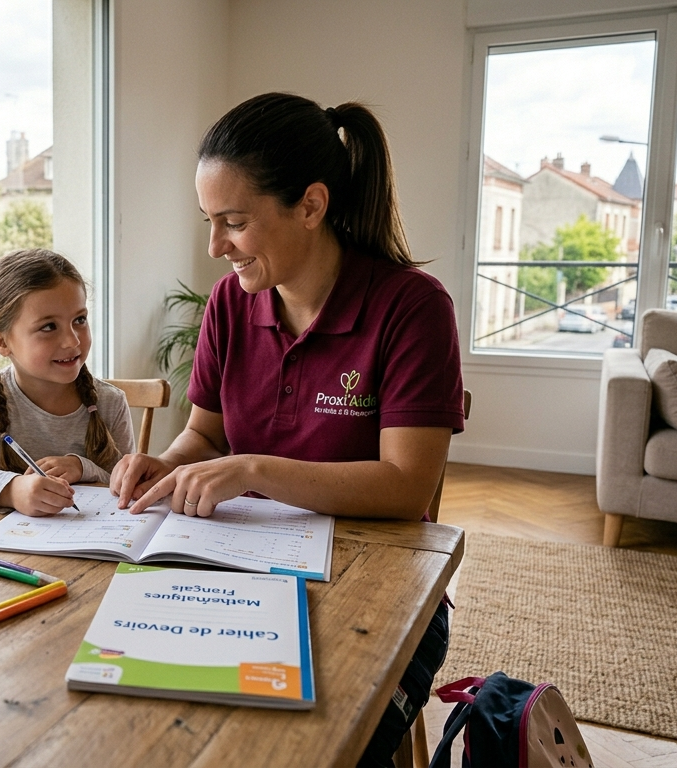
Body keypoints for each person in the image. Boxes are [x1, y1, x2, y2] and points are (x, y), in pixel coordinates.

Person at [109, 93, 464, 767]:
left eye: (234, 222)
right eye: (209, 222)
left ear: (310, 205)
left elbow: (406, 485)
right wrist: (167, 462)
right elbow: (206, 437)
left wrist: (254, 469)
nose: (215, 247)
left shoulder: (412, 309)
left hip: (378, 589)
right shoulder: (228, 305)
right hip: (240, 570)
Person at [0, 249, 134, 516]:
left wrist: (82, 467)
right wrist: (13, 489)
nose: (72, 341)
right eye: (49, 327)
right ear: (0, 341)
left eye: (79, 320)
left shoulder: (110, 402)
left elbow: (128, 483)